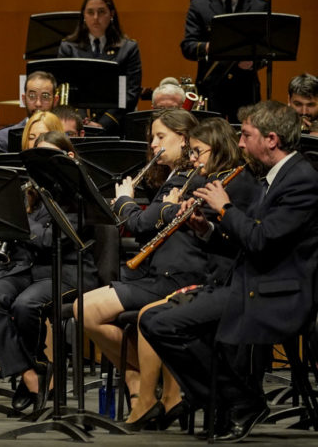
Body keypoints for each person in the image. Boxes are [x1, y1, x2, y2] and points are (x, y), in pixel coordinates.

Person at [140, 101, 318, 441]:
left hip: (277, 293)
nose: (238, 143)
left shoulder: (302, 180)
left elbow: (261, 239)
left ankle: (237, 402)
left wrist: (224, 208)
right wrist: (205, 230)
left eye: (246, 135)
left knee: (164, 324)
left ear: (271, 139)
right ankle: (230, 402)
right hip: (249, 282)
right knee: (153, 320)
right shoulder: (275, 176)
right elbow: (246, 241)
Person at [122, 118, 256, 430]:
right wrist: (203, 227)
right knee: (153, 320)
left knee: (156, 319)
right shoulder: (213, 181)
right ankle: (211, 396)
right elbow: (221, 238)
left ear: (217, 148)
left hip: (233, 284)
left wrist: (209, 211)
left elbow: (247, 239)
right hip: (217, 279)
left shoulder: (235, 183)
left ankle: (226, 398)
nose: (192, 160)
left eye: (197, 152)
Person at [73, 110, 202, 411]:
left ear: (184, 140)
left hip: (173, 276)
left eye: (161, 137)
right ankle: (140, 380)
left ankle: (145, 383)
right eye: (152, 138)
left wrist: (124, 201)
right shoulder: (171, 179)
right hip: (155, 272)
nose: (154, 145)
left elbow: (143, 225)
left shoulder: (185, 179)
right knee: (84, 311)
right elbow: (151, 225)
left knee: (85, 310)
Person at [0, 131, 98, 411]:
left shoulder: (81, 193)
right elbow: (30, 234)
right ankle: (30, 372)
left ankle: (32, 374)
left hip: (67, 272)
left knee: (26, 304)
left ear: (68, 158)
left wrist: (19, 225)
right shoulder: (30, 190)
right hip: (29, 268)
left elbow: (52, 238)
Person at [180, 0, 268, 122]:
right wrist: (209, 47)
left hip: (246, 91)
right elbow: (187, 46)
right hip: (211, 90)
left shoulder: (259, 6)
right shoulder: (199, 6)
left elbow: (268, 51)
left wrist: (253, 62)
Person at [57, 0, 142, 134]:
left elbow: (130, 93)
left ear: (112, 14)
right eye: (90, 12)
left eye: (101, 12)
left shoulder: (128, 48)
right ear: (83, 15)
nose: (96, 18)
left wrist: (104, 123)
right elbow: (65, 89)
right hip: (76, 127)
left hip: (115, 126)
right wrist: (82, 120)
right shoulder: (68, 48)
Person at [0, 71, 58, 152]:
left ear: (55, 100)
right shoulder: (4, 139)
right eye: (32, 96)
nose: (38, 104)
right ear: (24, 99)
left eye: (45, 96)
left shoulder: (66, 136)